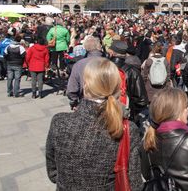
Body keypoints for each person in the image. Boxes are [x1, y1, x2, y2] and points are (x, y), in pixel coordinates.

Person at [46, 58, 143, 190]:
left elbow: (53, 173)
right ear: (117, 88)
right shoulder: (126, 128)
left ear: (85, 86)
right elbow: (135, 183)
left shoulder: (59, 122)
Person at [109, 40, 148, 125]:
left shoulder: (102, 69)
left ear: (112, 53)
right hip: (126, 117)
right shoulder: (132, 71)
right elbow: (142, 100)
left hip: (106, 114)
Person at [67, 36, 104, 108]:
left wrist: (74, 101)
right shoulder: (109, 63)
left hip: (85, 102)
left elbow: (72, 89)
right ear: (99, 47)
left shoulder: (79, 64)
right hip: (105, 102)